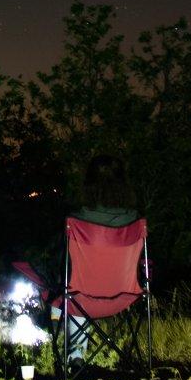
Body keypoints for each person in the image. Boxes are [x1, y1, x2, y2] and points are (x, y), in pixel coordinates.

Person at [62, 154, 140, 363]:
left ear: (88, 184)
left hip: (83, 298)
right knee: (76, 291)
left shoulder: (77, 220)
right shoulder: (135, 220)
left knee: (71, 292)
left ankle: (75, 357)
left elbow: (65, 266)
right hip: (125, 295)